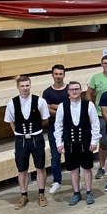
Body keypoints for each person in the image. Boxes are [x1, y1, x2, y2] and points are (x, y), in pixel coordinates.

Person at [5, 76, 50, 209]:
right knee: (22, 169)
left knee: (40, 167)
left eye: (27, 85)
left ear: (30, 86)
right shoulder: (12, 103)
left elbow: (45, 119)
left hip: (37, 138)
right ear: (18, 87)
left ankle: (41, 194)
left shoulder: (40, 101)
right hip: (21, 140)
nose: (25, 88)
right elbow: (11, 121)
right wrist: (18, 133)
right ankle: (23, 195)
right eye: (22, 86)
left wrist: (36, 129)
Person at [54, 81, 101, 206]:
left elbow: (95, 124)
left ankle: (89, 192)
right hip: (69, 144)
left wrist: (94, 141)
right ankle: (76, 193)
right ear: (68, 92)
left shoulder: (88, 105)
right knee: (73, 169)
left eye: (76, 89)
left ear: (80, 90)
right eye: (72, 89)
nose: (74, 91)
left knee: (87, 168)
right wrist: (59, 143)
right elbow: (58, 126)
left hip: (85, 142)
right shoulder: (62, 106)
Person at [86, 55, 107, 179]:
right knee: (103, 143)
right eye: (105, 63)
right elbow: (88, 93)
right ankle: (102, 168)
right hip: (100, 115)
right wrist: (90, 108)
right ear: (102, 64)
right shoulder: (96, 78)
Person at [42, 64, 68, 194]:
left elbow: (72, 107)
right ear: (52, 75)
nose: (58, 76)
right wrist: (61, 109)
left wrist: (54, 106)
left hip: (69, 128)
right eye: (56, 74)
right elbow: (46, 110)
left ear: (64, 75)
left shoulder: (69, 89)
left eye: (60, 74)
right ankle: (57, 181)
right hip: (53, 129)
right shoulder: (47, 92)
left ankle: (77, 179)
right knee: (55, 156)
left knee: (72, 154)